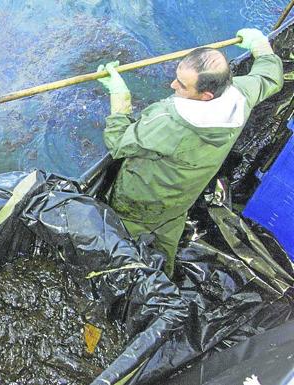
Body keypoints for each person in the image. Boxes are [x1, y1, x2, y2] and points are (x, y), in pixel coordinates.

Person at [96, 28, 284, 276]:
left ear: (205, 95)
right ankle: (165, 280)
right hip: (180, 202)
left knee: (120, 254)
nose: (172, 85)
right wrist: (260, 46)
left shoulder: (171, 121)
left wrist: (120, 97)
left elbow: (118, 142)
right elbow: (271, 77)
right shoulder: (241, 95)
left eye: (182, 85)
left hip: (140, 203)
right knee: (165, 250)